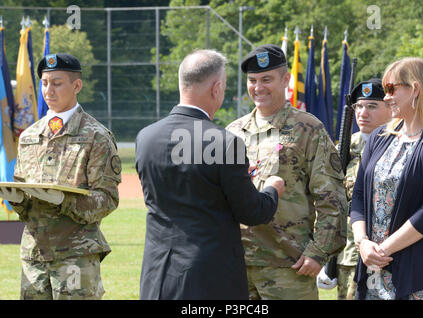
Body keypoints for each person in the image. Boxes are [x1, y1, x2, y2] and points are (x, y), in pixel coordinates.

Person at [136, 49, 285, 300]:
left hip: (157, 272)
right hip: (208, 277)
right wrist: (272, 188)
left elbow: (182, 187)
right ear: (216, 88)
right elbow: (252, 212)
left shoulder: (146, 137)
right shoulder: (225, 142)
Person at [226, 44, 347, 300]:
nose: (258, 88)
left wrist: (319, 251)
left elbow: (331, 197)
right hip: (236, 266)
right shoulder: (233, 132)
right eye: (252, 80)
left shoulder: (308, 129)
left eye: (266, 79)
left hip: (288, 267)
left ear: (286, 80)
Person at [0, 53, 121, 299]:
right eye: (44, 83)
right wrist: (16, 198)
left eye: (57, 83)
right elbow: (24, 193)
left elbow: (107, 199)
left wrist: (63, 201)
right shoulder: (29, 136)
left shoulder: (96, 136)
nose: (48, 91)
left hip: (76, 256)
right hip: (34, 256)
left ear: (76, 85)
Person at [351, 57, 423, 300]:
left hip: (419, 276)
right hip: (372, 268)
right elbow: (359, 198)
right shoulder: (378, 138)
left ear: (415, 89)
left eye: (391, 89)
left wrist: (383, 250)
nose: (386, 97)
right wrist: (363, 243)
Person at [317, 79, 392, 299]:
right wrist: (324, 254)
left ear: (390, 107)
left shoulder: (401, 144)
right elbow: (328, 200)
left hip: (387, 251)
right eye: (358, 106)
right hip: (348, 254)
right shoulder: (344, 147)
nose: (363, 113)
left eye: (371, 106)